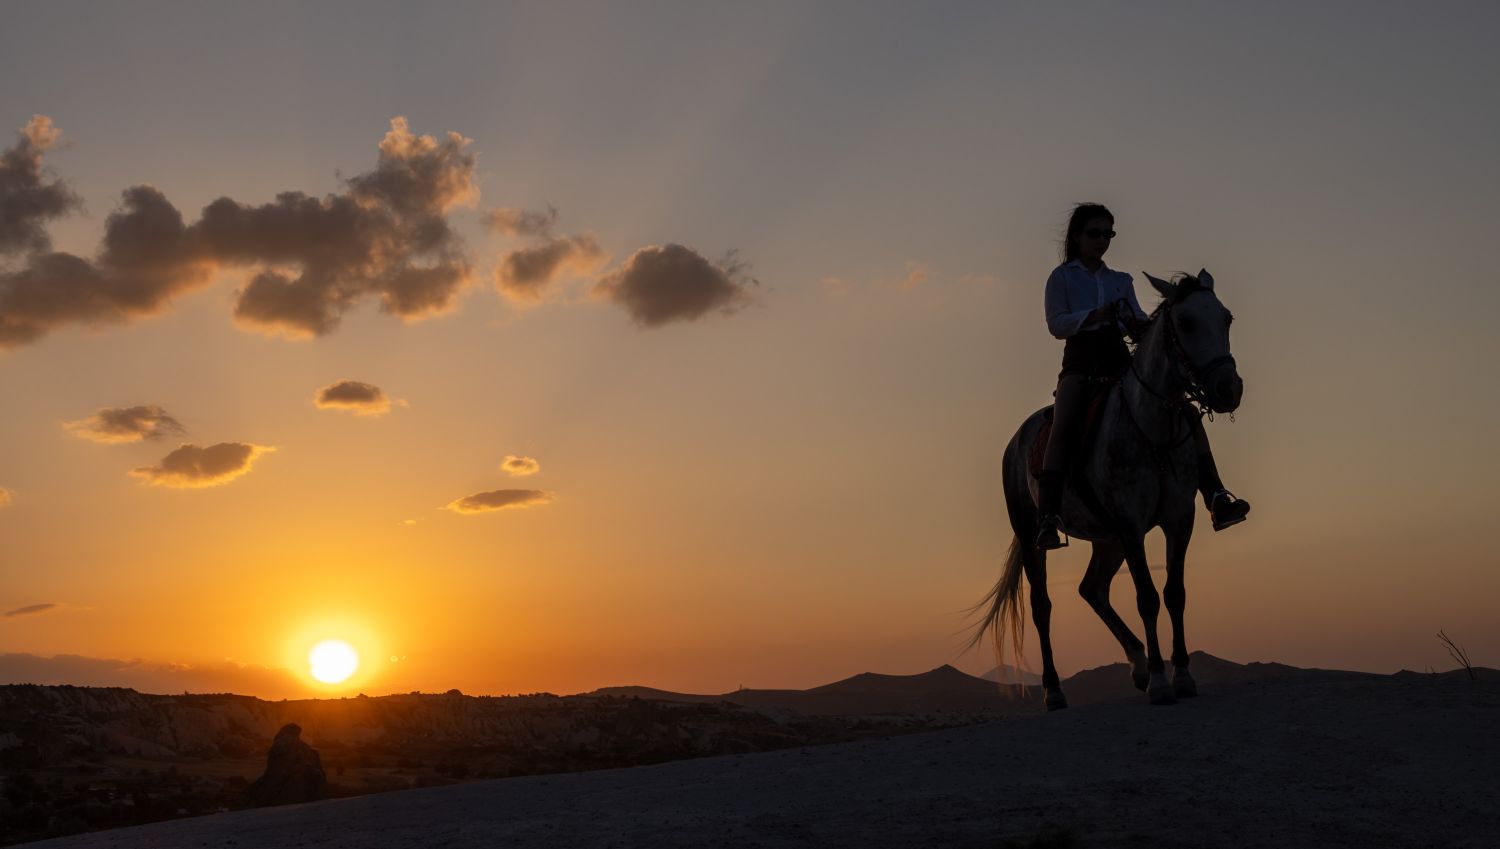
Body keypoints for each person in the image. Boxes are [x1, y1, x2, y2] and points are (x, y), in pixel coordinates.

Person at [1035, 203, 1250, 550]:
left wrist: (1144, 326)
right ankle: (1047, 518)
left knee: (1188, 414)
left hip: (1120, 363)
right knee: (1064, 424)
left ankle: (1216, 496)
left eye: (1108, 233)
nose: (1102, 240)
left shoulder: (1121, 281)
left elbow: (1134, 321)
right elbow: (1056, 324)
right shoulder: (1061, 278)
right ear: (1076, 236)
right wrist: (1096, 315)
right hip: (1081, 363)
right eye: (1095, 233)